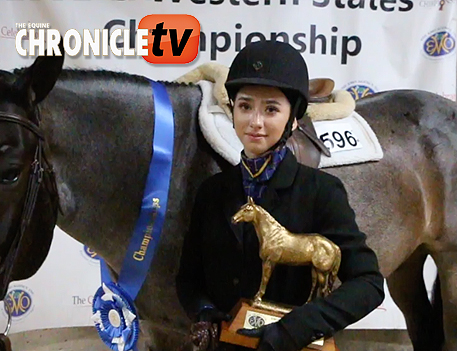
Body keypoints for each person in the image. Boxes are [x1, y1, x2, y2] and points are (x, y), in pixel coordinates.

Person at [175, 40, 385, 351]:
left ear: (294, 119)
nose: (255, 122)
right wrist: (204, 312)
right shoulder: (212, 191)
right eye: (245, 106)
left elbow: (368, 283)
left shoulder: (322, 192)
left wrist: (294, 329)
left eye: (271, 109)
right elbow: (188, 277)